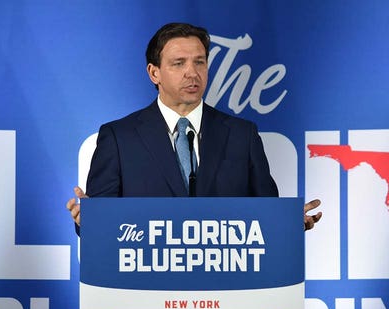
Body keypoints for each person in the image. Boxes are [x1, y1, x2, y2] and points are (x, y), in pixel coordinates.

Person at [66, 22, 322, 232]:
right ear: (154, 73)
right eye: (179, 63)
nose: (192, 73)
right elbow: (101, 225)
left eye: (199, 62)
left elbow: (267, 215)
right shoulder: (119, 137)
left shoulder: (242, 135)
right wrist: (89, 221)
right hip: (147, 287)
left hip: (226, 284)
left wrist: (287, 223)